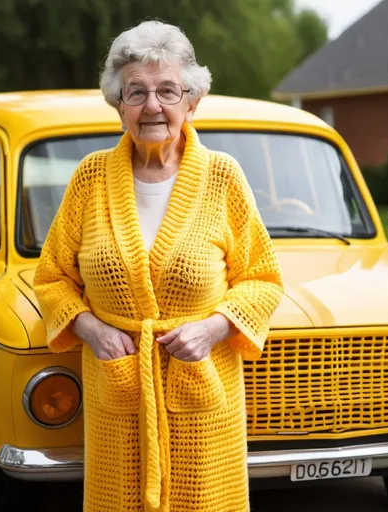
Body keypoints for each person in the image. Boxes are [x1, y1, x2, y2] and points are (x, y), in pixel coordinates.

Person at [33, 20, 283, 512]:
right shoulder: (90, 178)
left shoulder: (222, 178)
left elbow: (262, 279)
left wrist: (214, 328)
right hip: (120, 389)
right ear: (117, 103)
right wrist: (91, 329)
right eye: (136, 92)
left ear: (192, 101)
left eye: (168, 90)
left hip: (203, 399)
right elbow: (52, 277)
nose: (152, 106)